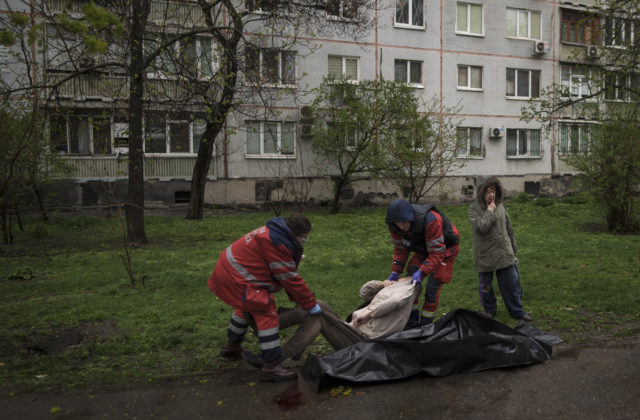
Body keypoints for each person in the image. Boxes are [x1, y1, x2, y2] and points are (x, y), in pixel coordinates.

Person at [207, 214, 322, 381]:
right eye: (304, 238)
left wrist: (297, 296)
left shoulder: (274, 232)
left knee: (245, 306)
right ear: (295, 234)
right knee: (265, 310)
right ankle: (272, 364)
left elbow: (285, 272)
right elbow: (289, 277)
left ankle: (232, 346)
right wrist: (309, 303)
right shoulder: (277, 243)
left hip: (227, 273)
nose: (305, 241)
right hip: (236, 278)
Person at [242, 277, 421, 365]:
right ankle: (283, 348)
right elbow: (364, 293)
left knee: (317, 310)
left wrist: (370, 314)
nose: (399, 276)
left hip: (365, 344)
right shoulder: (396, 286)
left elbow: (397, 301)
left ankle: (272, 344)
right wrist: (381, 284)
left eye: (402, 276)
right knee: (317, 307)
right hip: (355, 333)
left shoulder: (410, 288)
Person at [384, 199, 460, 327]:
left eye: (404, 222)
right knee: (410, 285)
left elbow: (437, 253)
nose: (402, 227)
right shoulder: (395, 227)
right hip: (423, 248)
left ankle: (426, 325)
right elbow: (400, 250)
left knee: (432, 288)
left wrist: (422, 271)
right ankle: (412, 320)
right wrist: (395, 271)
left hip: (445, 249)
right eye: (398, 224)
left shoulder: (431, 220)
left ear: (410, 217)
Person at [468, 177, 532, 322]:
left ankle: (517, 311)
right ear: (481, 192)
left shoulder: (500, 205)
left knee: (510, 284)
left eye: (494, 191)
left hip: (503, 252)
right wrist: (489, 211)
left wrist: (514, 251)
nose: (491, 195)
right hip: (485, 255)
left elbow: (509, 228)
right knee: (486, 286)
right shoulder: (474, 209)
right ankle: (489, 310)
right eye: (488, 191)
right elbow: (481, 228)